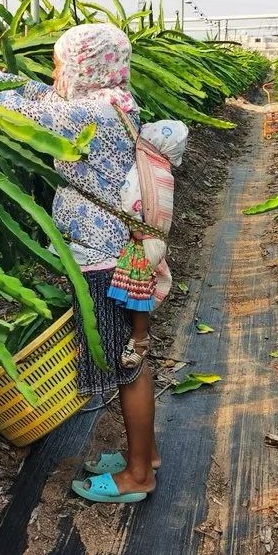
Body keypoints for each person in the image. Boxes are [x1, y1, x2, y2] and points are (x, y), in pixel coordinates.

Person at [0, 24, 159, 504]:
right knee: (133, 360)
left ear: (84, 68)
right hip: (115, 252)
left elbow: (31, 117)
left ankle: (139, 475)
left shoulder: (94, 112)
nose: (55, 72)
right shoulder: (112, 100)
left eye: (62, 64)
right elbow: (46, 100)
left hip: (105, 263)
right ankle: (146, 454)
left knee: (127, 366)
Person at [110, 119, 188, 369]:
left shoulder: (152, 171)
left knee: (138, 285)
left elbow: (133, 199)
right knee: (136, 285)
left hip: (145, 242)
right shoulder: (160, 170)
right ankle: (137, 334)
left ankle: (140, 337)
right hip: (150, 240)